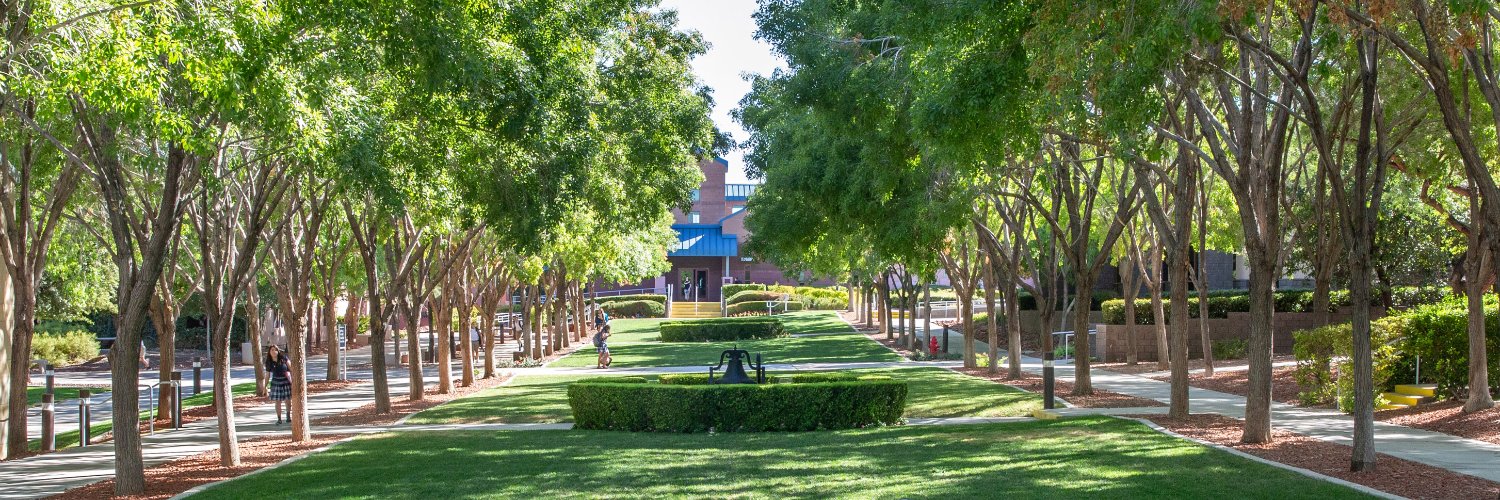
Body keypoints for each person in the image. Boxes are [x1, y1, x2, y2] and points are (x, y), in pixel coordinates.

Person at [266, 345, 292, 424]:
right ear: (269, 352)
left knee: (288, 400)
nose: (274, 351)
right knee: (277, 401)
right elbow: (267, 375)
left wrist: (293, 380)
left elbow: (291, 368)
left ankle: (288, 416)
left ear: (278, 351)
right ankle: (279, 419)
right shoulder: (269, 362)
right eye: (272, 350)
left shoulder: (284, 358)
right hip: (276, 382)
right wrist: (265, 386)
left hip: (286, 381)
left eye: (275, 350)